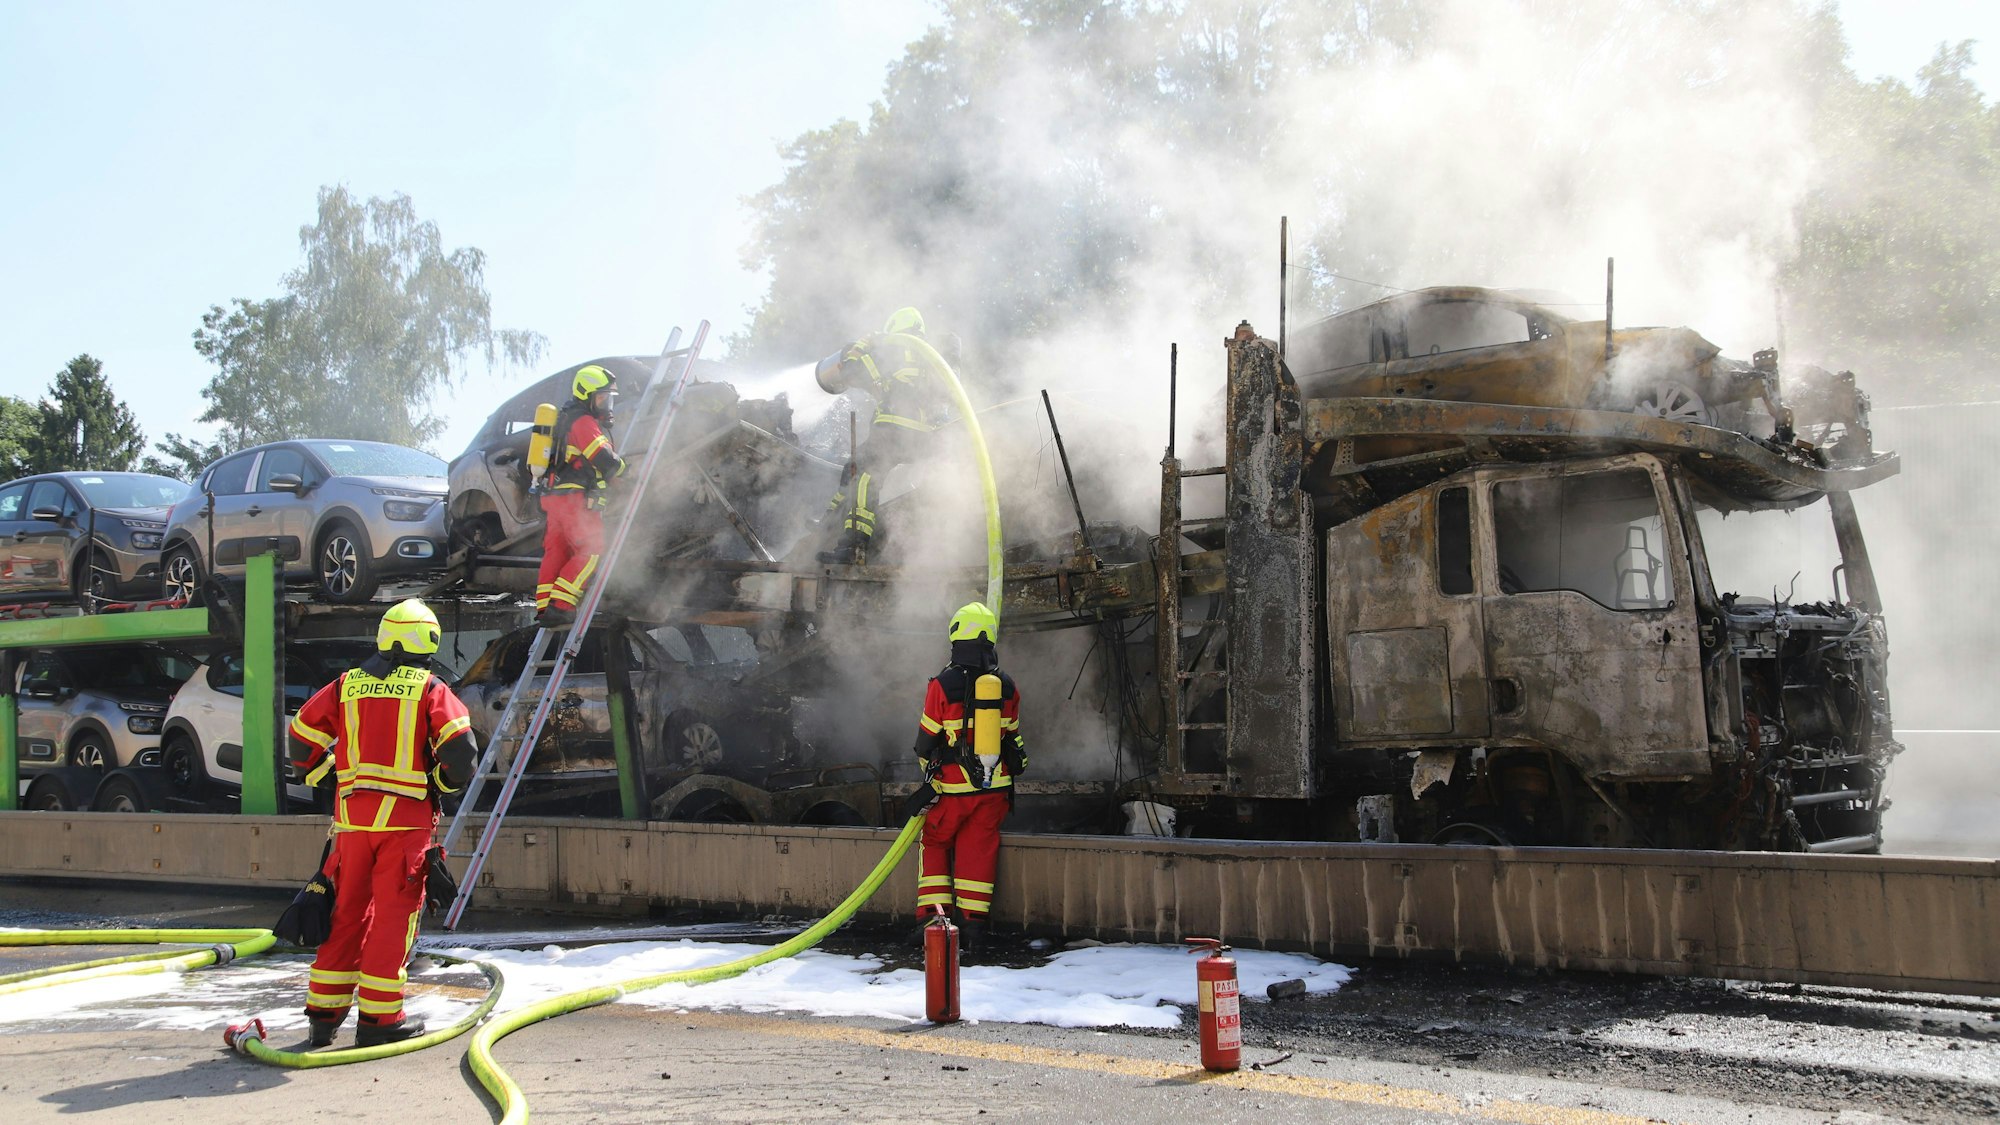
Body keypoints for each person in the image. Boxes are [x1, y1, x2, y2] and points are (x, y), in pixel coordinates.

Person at [288, 598, 478, 1048]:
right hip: (404, 829)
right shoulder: (430, 689)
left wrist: (329, 776)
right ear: (428, 641)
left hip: (351, 829)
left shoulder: (346, 685)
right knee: (393, 921)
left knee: (344, 915)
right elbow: (462, 753)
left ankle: (323, 1016)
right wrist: (438, 783)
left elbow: (301, 740)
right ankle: (379, 1020)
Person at [907, 601, 1025, 955]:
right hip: (995, 790)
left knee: (936, 841)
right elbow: (1013, 736)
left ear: (957, 635)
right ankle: (973, 927)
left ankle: (935, 920)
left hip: (953, 791)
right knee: (979, 848)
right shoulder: (1006, 685)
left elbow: (925, 741)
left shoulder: (942, 685)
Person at [813, 307, 954, 564]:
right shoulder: (925, 355)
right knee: (852, 470)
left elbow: (853, 368)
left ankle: (854, 547)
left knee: (865, 475)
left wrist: (861, 344)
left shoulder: (895, 347)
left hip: (895, 426)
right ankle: (829, 522)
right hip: (921, 433)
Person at [537, 363, 627, 626]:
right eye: (601, 398)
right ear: (585, 396)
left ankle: (545, 608)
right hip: (576, 500)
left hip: (555, 498)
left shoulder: (564, 420)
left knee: (556, 552)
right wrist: (626, 469)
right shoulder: (583, 421)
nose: (606, 404)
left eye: (608, 398)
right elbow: (604, 459)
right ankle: (563, 605)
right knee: (592, 551)